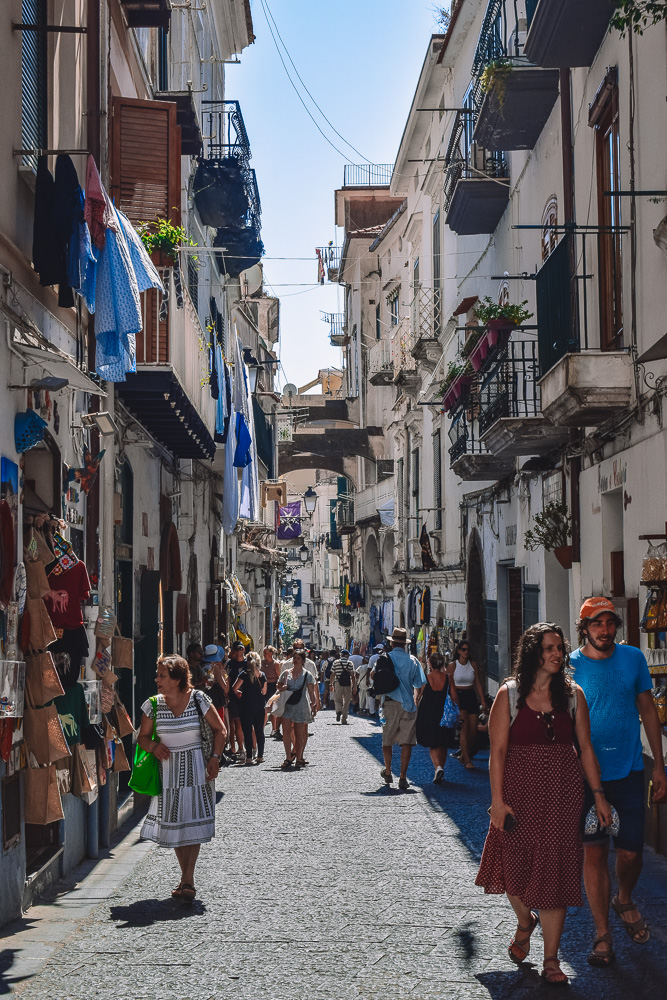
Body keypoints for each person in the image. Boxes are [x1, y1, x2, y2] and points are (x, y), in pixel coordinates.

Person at [476, 623, 612, 986]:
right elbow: (498, 752)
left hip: (562, 796)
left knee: (554, 874)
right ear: (534, 653)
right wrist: (498, 801)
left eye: (559, 648)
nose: (556, 655)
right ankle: (525, 921)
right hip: (518, 793)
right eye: (549, 648)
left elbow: (585, 749)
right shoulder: (509, 694)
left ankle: (551, 959)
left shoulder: (573, 696)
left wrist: (598, 796)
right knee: (511, 865)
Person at [571, 596, 667, 966]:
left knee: (630, 852)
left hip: (628, 770)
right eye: (597, 624)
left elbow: (647, 709)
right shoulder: (570, 666)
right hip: (585, 775)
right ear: (585, 628)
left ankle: (623, 897)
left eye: (610, 623)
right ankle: (602, 934)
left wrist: (659, 764)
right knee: (593, 853)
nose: (605, 630)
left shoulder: (634, 659)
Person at [137, 654, 227, 901]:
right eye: (158, 675)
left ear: (177, 679)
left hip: (198, 770)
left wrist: (215, 757)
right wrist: (154, 748)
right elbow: (142, 738)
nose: (157, 680)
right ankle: (186, 877)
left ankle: (188, 878)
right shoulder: (153, 705)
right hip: (168, 774)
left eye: (162, 676)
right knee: (177, 824)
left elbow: (221, 730)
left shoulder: (199, 699)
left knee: (192, 821)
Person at [379, 627, 426, 791]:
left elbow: (374, 677)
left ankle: (388, 770)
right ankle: (403, 777)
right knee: (407, 742)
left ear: (392, 643)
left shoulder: (385, 658)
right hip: (408, 705)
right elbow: (420, 684)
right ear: (405, 644)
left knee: (387, 740)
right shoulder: (413, 661)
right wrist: (417, 700)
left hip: (389, 703)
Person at [277, 649, 318, 770]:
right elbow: (278, 686)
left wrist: (314, 704)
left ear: (303, 661)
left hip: (301, 706)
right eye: (294, 658)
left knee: (299, 735)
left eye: (298, 658)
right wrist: (281, 687)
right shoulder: (285, 673)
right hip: (287, 705)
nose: (295, 661)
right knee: (286, 733)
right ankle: (288, 756)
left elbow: (311, 691)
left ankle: (299, 757)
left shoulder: (307, 675)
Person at [416, 651, 452, 784]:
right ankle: (441, 767)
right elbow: (454, 696)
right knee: (443, 741)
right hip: (444, 712)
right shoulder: (448, 678)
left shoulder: (427, 677)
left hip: (429, 712)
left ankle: (438, 768)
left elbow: (419, 695)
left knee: (432, 743)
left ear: (430, 663)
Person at [448, 640, 485, 769]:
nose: (466, 652)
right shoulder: (453, 666)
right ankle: (467, 759)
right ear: (458, 651)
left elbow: (478, 683)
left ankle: (464, 753)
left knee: (473, 729)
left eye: (468, 649)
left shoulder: (473, 665)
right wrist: (454, 698)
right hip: (459, 695)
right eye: (463, 649)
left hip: (470, 695)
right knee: (464, 727)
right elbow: (450, 683)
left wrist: (482, 699)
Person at [232, 650, 267, 764]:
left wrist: (239, 693)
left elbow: (234, 688)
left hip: (246, 705)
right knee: (259, 731)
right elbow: (264, 692)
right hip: (259, 705)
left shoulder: (243, 674)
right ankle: (260, 756)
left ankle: (249, 757)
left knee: (247, 732)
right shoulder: (262, 675)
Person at [225, 642, 247, 760]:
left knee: (243, 723)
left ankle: (244, 748)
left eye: (241, 648)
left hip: (246, 697)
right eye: (236, 649)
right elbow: (227, 679)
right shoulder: (230, 664)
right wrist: (227, 693)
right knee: (234, 722)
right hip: (233, 696)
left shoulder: (248, 663)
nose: (239, 651)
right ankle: (235, 748)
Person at [331, 649, 357, 724]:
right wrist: (354, 686)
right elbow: (353, 676)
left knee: (337, 699)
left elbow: (332, 674)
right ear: (347, 655)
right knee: (347, 701)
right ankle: (344, 719)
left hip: (338, 683)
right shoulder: (350, 663)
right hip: (347, 684)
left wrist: (331, 684)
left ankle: (339, 710)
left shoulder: (336, 662)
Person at [262, 645, 282, 738]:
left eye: (266, 652)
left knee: (273, 708)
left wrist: (279, 689)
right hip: (263, 687)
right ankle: (261, 729)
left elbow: (279, 677)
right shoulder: (261, 663)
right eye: (264, 653)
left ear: (271, 653)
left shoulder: (276, 664)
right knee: (263, 708)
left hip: (273, 686)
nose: (264, 654)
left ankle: (274, 729)